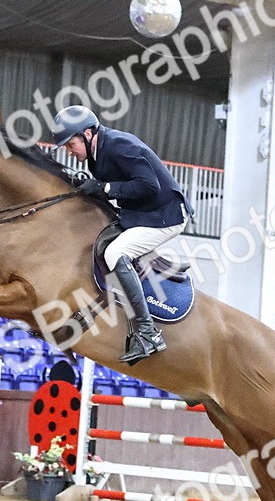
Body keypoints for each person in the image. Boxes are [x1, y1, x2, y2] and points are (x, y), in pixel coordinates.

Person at [53, 105, 192, 364]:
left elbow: (149, 186)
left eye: (70, 144)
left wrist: (105, 187)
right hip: (141, 212)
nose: (69, 151)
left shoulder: (118, 145)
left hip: (165, 215)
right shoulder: (96, 154)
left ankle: (148, 333)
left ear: (87, 133)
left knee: (116, 252)